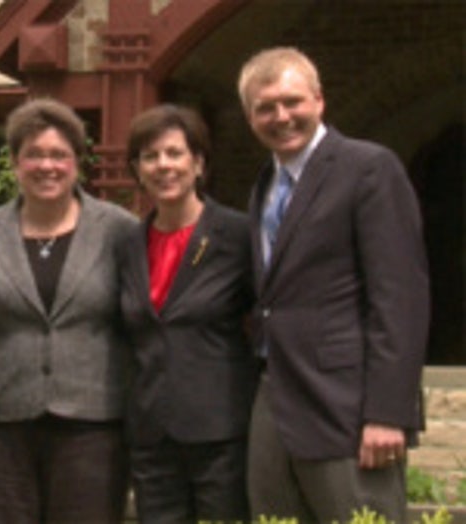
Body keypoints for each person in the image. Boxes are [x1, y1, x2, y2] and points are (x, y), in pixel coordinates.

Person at [238, 46, 429, 522]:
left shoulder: (367, 168)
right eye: (265, 107)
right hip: (276, 394)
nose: (281, 116)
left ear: (319, 100)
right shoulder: (265, 185)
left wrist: (388, 411)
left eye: (292, 101)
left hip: (347, 404)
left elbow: (400, 295)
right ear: (249, 117)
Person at [0, 98, 136, 523]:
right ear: (15, 162)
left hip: (93, 427)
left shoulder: (119, 231)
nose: (48, 166)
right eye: (35, 155)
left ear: (78, 161)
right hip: (3, 425)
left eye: (59, 155)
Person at [118, 104, 255, 523]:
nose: (164, 166)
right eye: (150, 156)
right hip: (151, 436)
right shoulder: (126, 244)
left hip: (221, 433)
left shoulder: (238, 236)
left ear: (198, 163)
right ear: (138, 169)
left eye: (174, 154)